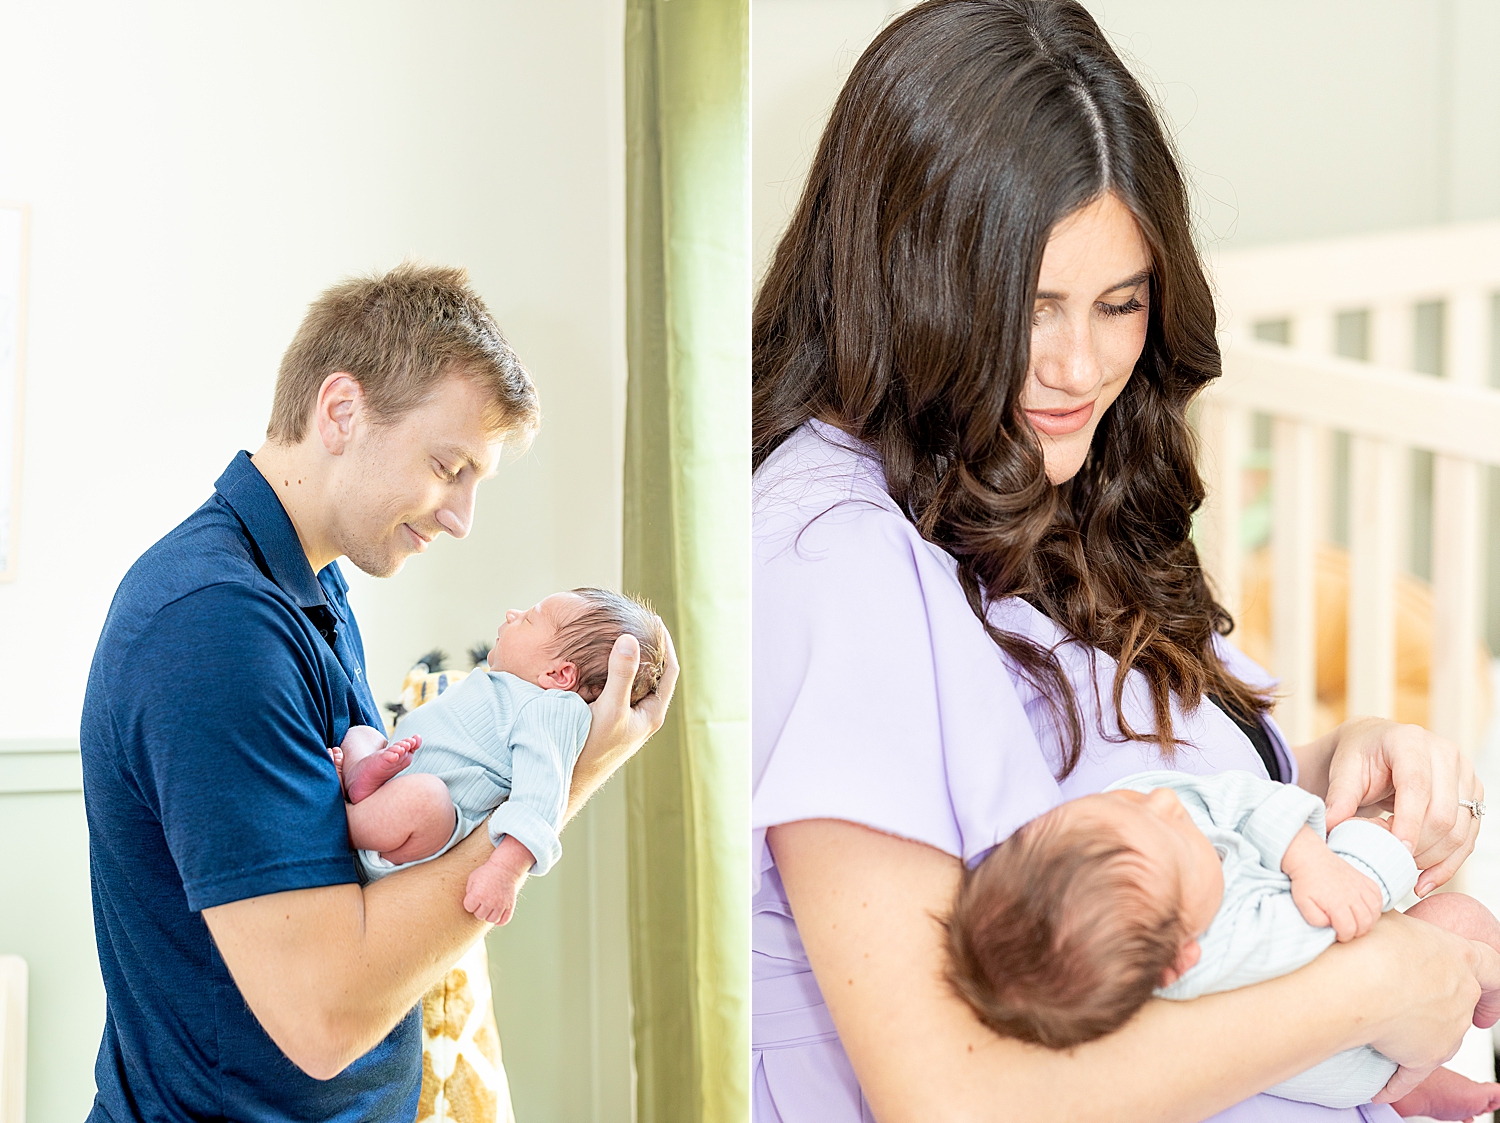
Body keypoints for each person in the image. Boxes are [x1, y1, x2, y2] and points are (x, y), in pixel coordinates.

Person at [750, 3, 1487, 1121]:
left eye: (1119, 303)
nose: (1080, 365)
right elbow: (950, 1094)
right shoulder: (831, 554)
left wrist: (1347, 757)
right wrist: (1374, 985)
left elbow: (1156, 795)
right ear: (906, 279)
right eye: (1029, 309)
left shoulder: (1054, 473)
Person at [81, 264, 677, 1121]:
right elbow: (322, 1016)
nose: (462, 516)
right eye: (448, 465)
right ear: (341, 411)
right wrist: (569, 780)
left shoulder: (311, 590)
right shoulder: (214, 627)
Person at [947, 769, 1500, 1118]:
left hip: (1364, 1011)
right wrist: (1375, 849)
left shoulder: (1128, 830)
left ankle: (1414, 1085)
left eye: (1133, 810)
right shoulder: (1229, 945)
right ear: (1182, 960)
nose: (1165, 805)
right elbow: (1340, 917)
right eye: (1179, 837)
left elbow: (1213, 796)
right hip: (1353, 1058)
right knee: (1460, 918)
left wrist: (1305, 857)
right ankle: (1418, 1071)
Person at [334, 587, 668, 926]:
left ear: (559, 675)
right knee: (363, 735)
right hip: (393, 789)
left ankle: (342, 818)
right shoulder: (502, 688)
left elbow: (540, 798)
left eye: (529, 619)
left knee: (427, 800)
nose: (512, 614)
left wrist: (505, 870)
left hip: (408, 841)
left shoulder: (553, 710)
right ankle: (363, 779)